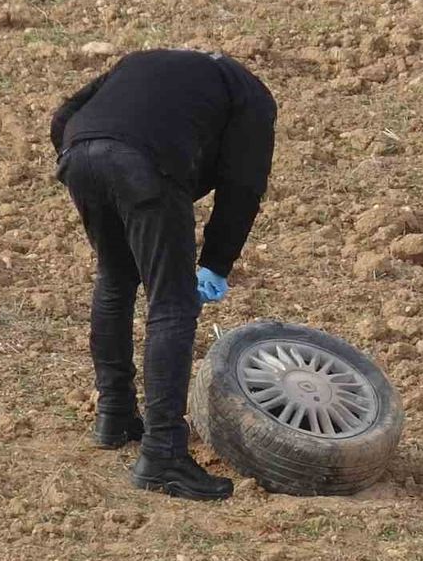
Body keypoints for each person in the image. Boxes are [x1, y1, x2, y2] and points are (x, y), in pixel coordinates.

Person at [50, 48, 277, 501]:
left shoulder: (146, 63)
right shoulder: (254, 100)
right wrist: (216, 263)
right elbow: (242, 186)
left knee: (115, 279)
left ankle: (115, 415)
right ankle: (163, 454)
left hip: (80, 151)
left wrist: (79, 159)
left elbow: (64, 114)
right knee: (172, 303)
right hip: (145, 162)